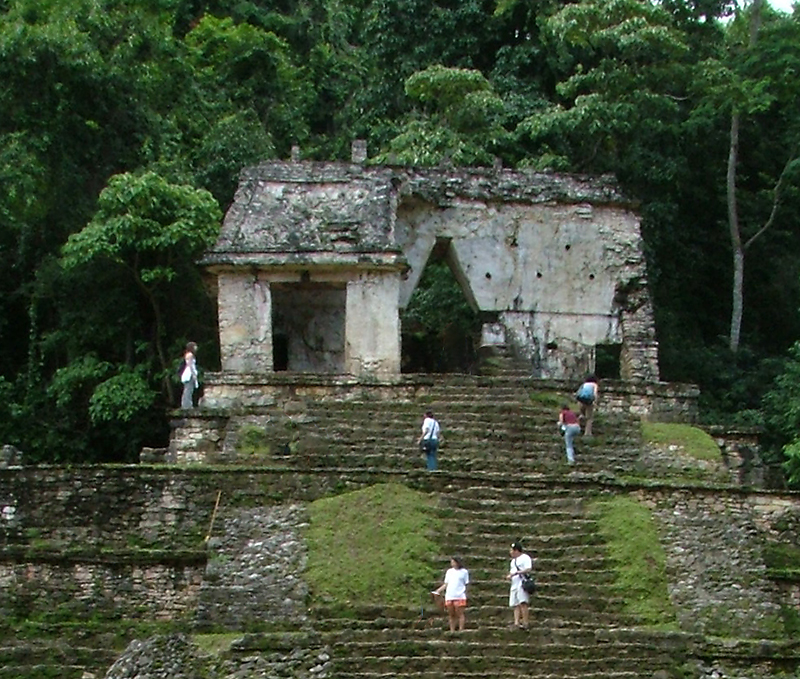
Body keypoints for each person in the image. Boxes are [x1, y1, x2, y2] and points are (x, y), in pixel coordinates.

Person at [434, 556, 469, 632]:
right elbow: (446, 583)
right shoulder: (449, 572)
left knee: (460, 613)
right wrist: (438, 591)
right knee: (451, 614)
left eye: (453, 562)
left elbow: (466, 584)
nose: (452, 563)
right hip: (449, 595)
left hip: (459, 595)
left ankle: (461, 629)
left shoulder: (464, 572)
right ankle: (452, 630)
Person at [507, 541, 533, 630]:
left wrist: (518, 572)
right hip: (514, 583)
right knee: (515, 604)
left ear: (516, 550)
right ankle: (516, 622)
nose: (510, 552)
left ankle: (525, 622)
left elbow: (528, 569)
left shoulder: (525, 558)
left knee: (523, 602)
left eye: (512, 550)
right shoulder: (513, 561)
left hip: (522, 583)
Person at [180, 342, 199, 409]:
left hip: (189, 372)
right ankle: (187, 405)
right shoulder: (190, 355)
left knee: (188, 389)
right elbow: (190, 365)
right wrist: (194, 375)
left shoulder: (188, 354)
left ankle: (186, 404)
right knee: (189, 389)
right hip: (189, 373)